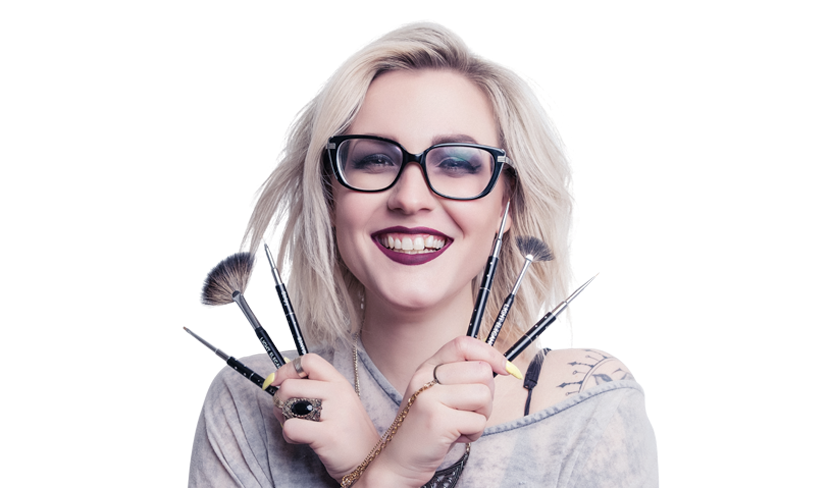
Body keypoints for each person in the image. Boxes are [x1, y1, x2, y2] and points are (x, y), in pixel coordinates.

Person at [189, 23, 657, 487]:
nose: (410, 199)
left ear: (507, 204)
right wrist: (388, 471)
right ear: (331, 198)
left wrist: (375, 471)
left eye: (455, 163)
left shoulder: (587, 404)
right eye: (375, 159)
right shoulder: (251, 401)